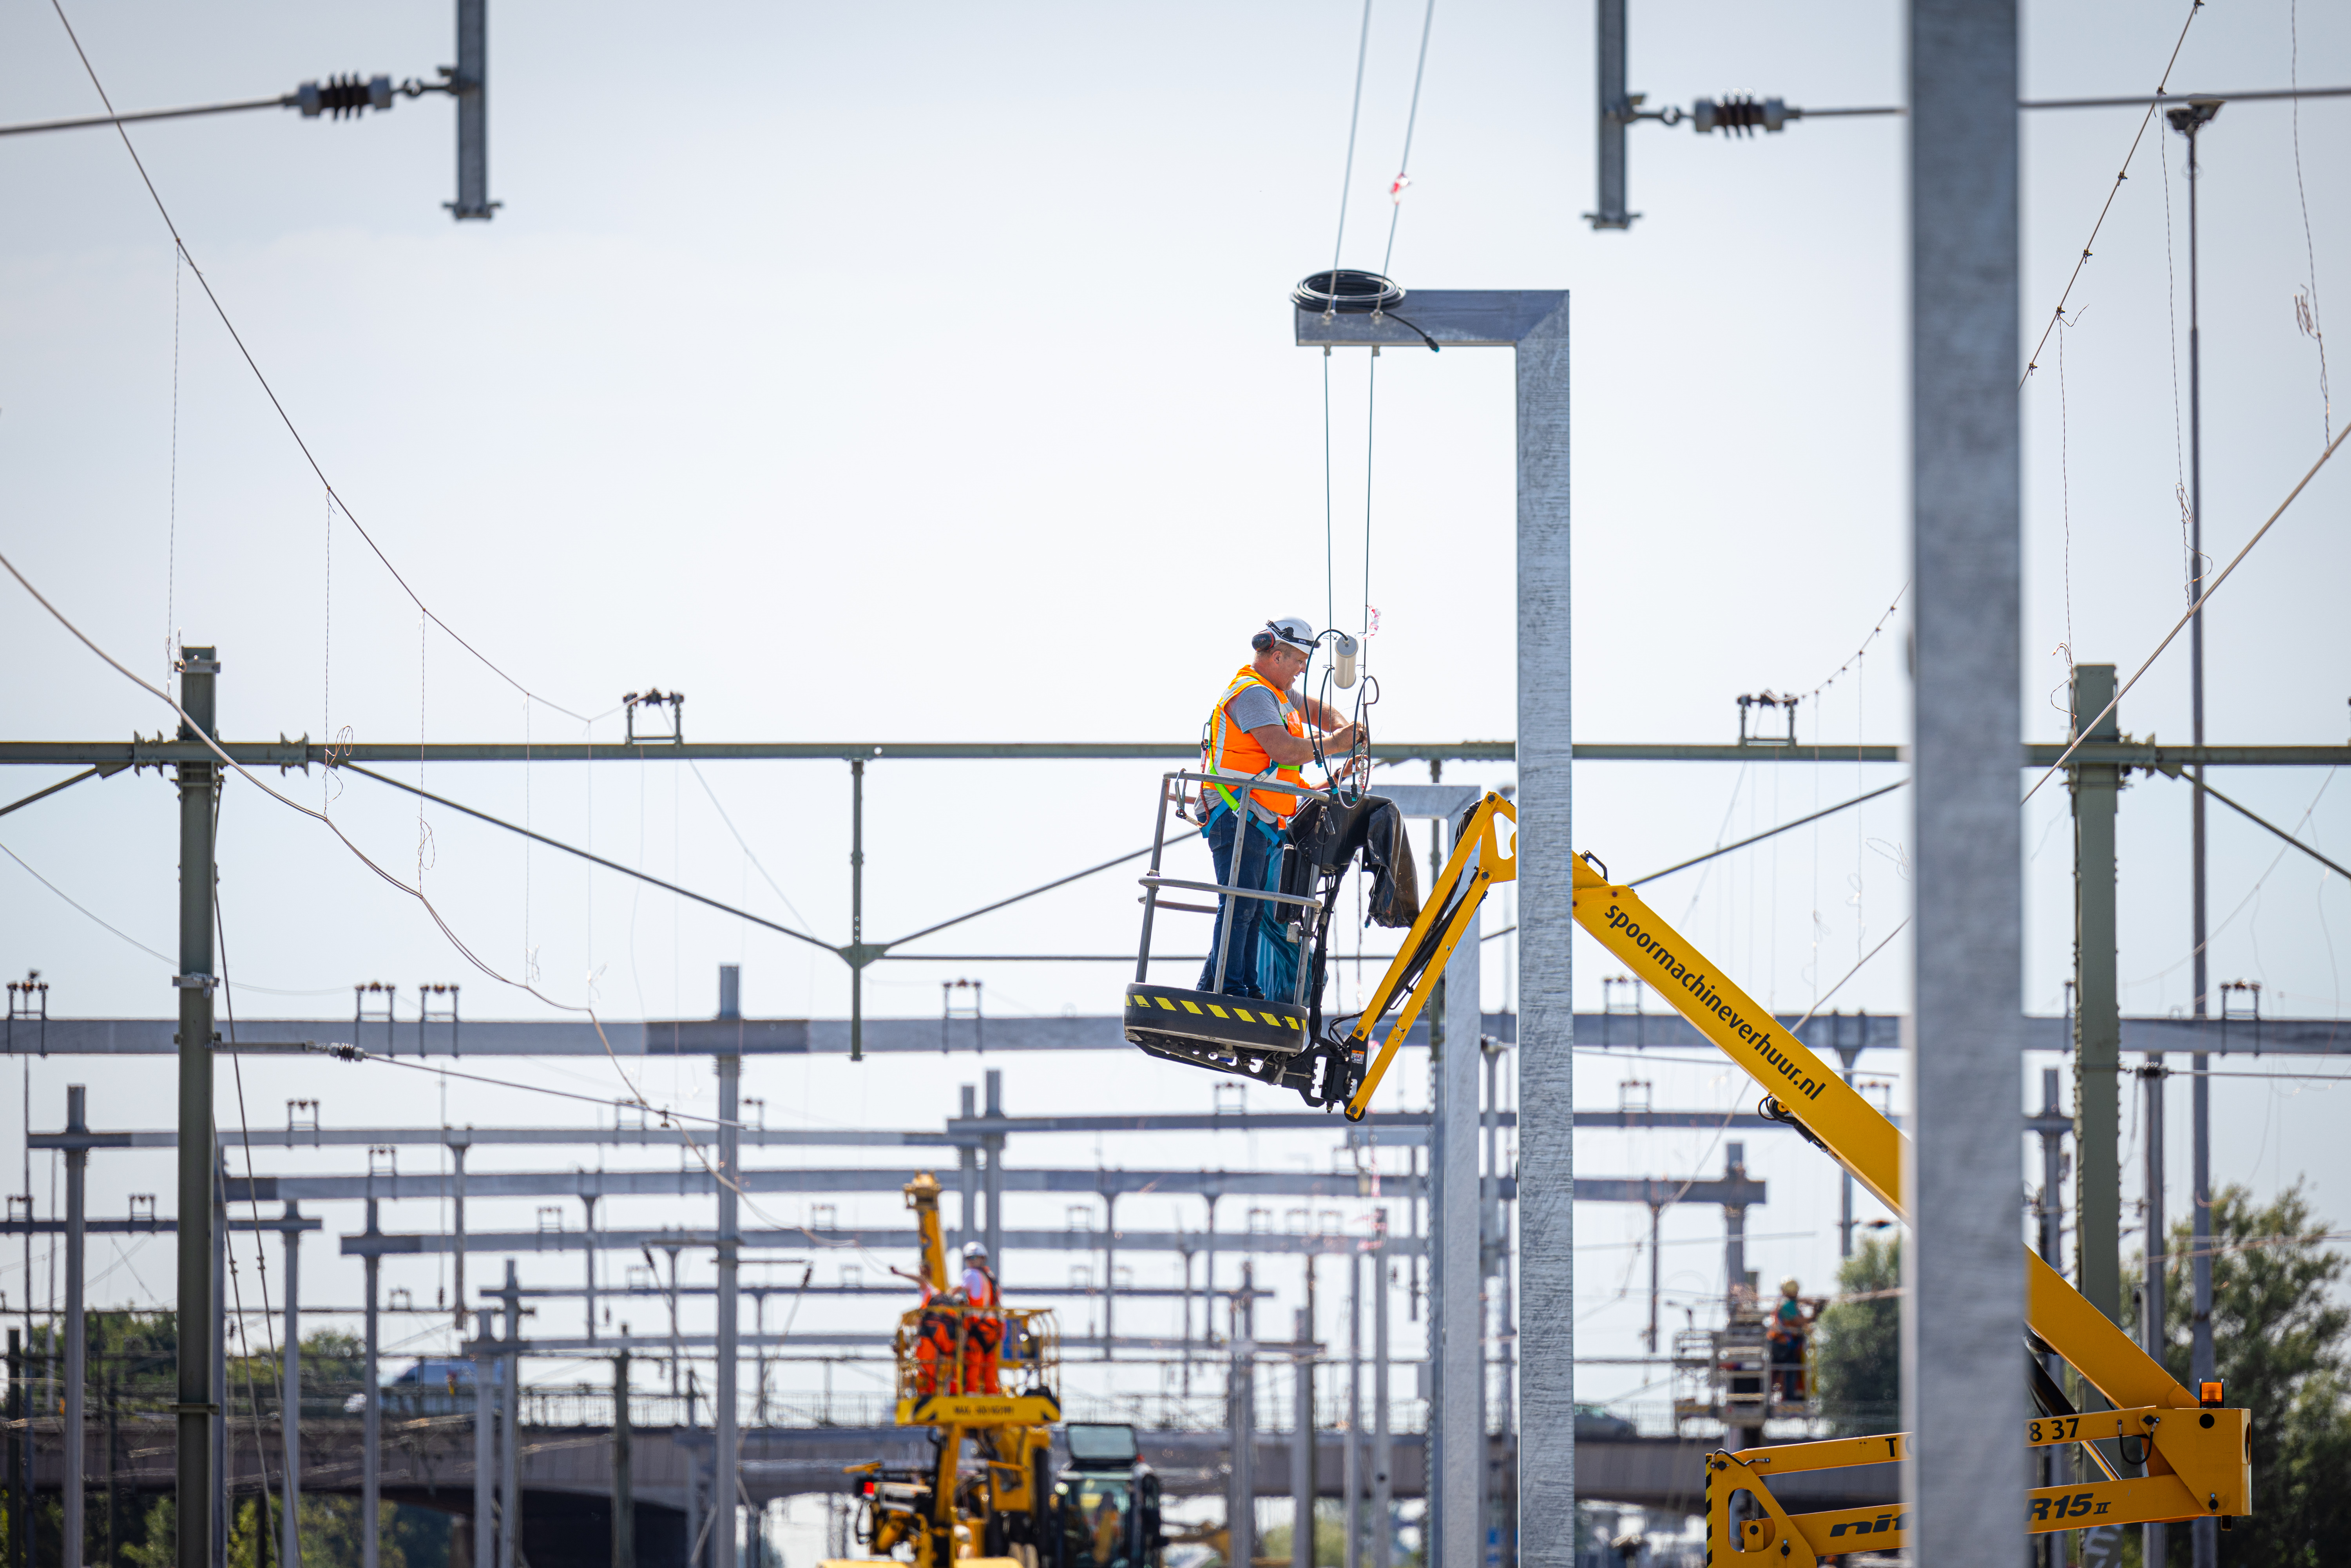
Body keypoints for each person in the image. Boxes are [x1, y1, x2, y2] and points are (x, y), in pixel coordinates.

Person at [1196, 617, 1366, 998]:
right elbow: (1284, 751)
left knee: (1251, 907)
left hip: (1254, 815)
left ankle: (1231, 987)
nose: (1302, 670)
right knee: (1241, 904)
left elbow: (1320, 714)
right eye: (1299, 662)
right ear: (1277, 657)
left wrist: (1347, 731)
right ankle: (1231, 988)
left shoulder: (1278, 693)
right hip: (1235, 812)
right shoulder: (1254, 695)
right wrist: (1338, 744)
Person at [1768, 1277, 1817, 1401]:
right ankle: (1788, 1397)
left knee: (1779, 1371)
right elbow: (1797, 1321)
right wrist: (1813, 1317)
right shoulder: (1787, 1305)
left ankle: (1781, 1396)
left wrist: (1811, 1306)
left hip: (1782, 1345)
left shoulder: (1787, 1304)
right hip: (1782, 1345)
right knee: (1788, 1370)